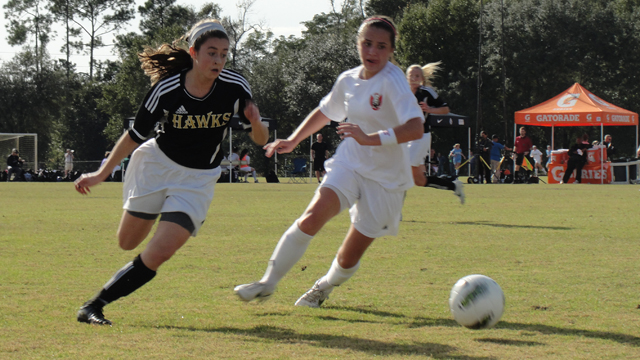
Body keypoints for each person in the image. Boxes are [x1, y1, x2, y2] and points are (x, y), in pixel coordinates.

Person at [73, 19, 269, 325]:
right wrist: (100, 175)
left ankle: (93, 306)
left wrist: (256, 124)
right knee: (127, 242)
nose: (218, 60)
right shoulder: (167, 88)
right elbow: (133, 135)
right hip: (156, 166)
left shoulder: (235, 87)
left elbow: (260, 140)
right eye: (211, 53)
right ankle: (153, 210)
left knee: (161, 251)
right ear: (193, 52)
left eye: (224, 54)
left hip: (197, 179)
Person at [234, 16, 425, 307]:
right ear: (358, 44)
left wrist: (369, 137)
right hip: (350, 162)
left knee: (349, 258)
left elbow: (415, 127)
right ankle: (267, 284)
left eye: (381, 46)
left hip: (386, 178)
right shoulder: (347, 80)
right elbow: (325, 112)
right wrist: (294, 139)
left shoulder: (393, 81)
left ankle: (324, 285)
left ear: (390, 51)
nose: (372, 51)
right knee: (312, 215)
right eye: (367, 43)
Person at [405, 63, 463, 201]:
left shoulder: (426, 92)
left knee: (402, 170)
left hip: (420, 137)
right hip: (405, 137)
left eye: (417, 75)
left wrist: (429, 109)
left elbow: (445, 109)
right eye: (411, 75)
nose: (413, 78)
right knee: (419, 180)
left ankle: (395, 211)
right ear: (406, 77)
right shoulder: (401, 92)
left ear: (421, 78)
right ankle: (454, 186)